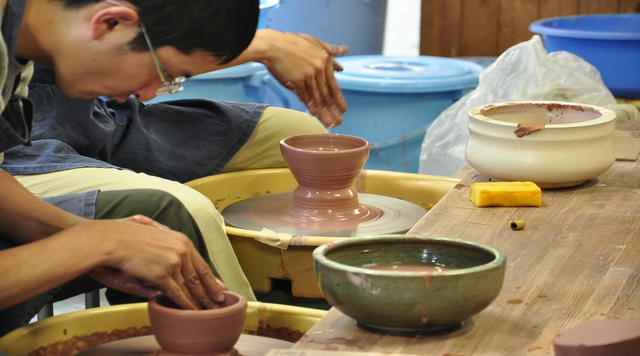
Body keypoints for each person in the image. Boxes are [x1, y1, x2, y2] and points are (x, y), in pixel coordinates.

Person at [0, 0, 347, 336]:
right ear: (108, 22)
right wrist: (94, 244)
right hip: (33, 146)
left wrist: (82, 232)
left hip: (87, 118)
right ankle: (237, 330)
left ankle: (285, 295)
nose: (150, 94)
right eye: (165, 75)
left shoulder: (30, 32)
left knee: (296, 139)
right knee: (174, 208)